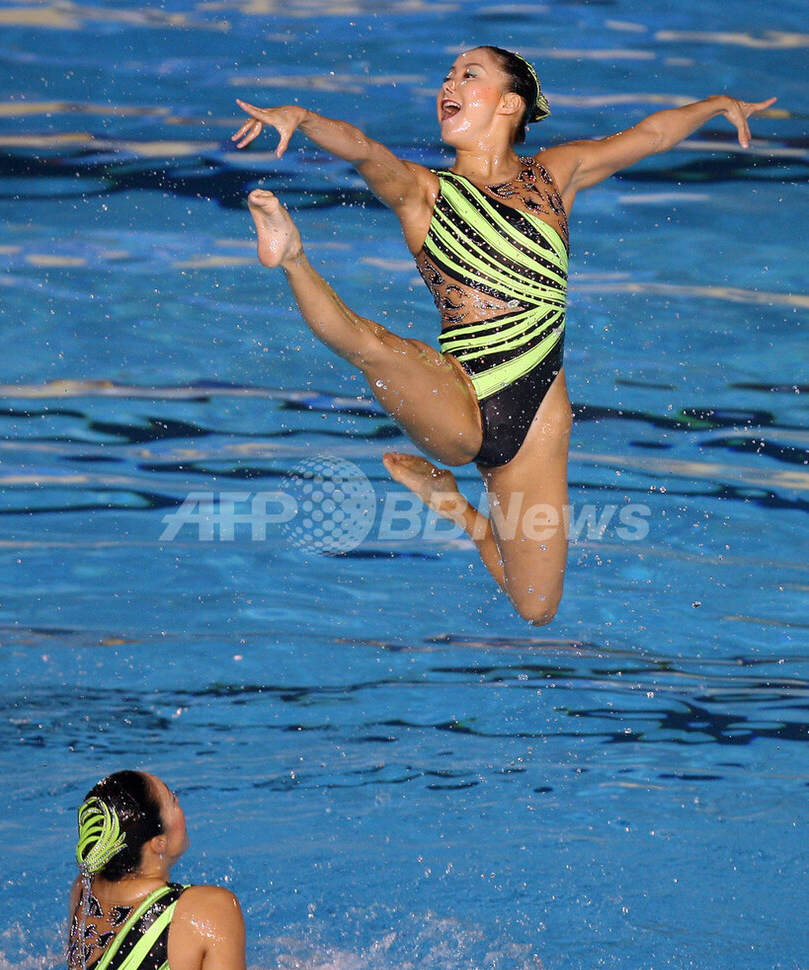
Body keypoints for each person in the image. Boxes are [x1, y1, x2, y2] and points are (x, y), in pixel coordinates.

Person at [232, 46, 775, 624]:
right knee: (373, 349)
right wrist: (304, 119)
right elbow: (364, 150)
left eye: (469, 75)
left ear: (510, 103)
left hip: (538, 416)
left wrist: (718, 103)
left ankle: (451, 505)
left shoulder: (555, 175)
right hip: (455, 394)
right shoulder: (424, 193)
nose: (449, 83)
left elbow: (652, 135)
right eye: (446, 77)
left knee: (536, 607)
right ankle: (292, 257)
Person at [67, 770, 252, 970]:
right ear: (159, 842)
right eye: (172, 800)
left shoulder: (84, 889)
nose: (179, 801)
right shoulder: (209, 909)